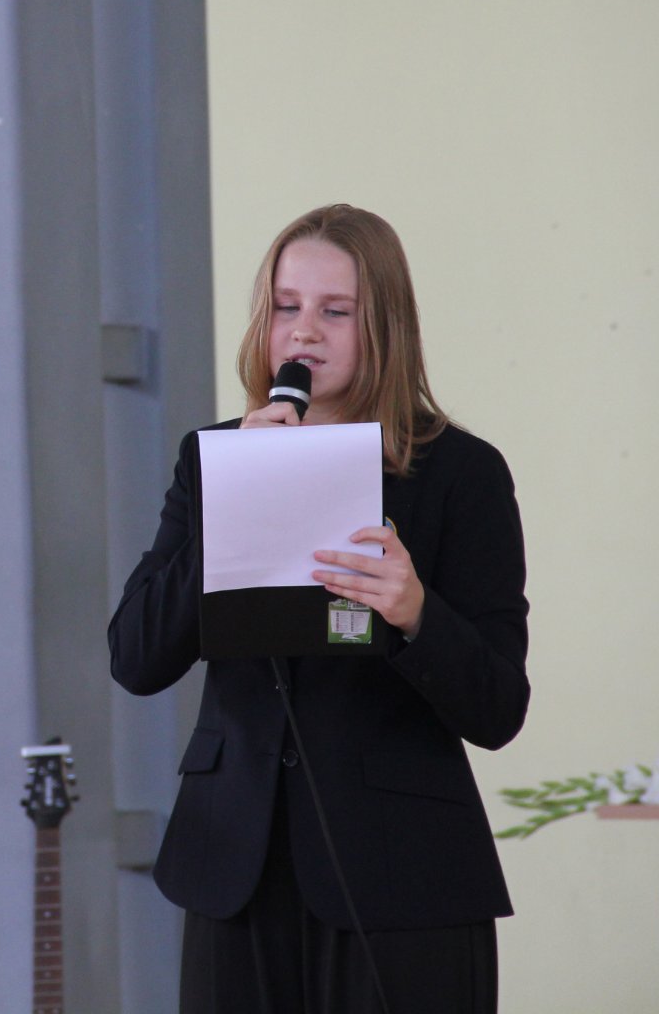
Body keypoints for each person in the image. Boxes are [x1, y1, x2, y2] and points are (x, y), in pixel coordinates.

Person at [108, 204, 530, 1014]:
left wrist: (416, 614)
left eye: (335, 311)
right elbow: (135, 657)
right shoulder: (212, 458)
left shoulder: (461, 473)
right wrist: (237, 497)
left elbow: (499, 707)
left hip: (402, 876)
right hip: (234, 865)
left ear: (386, 327)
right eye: (285, 307)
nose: (304, 331)